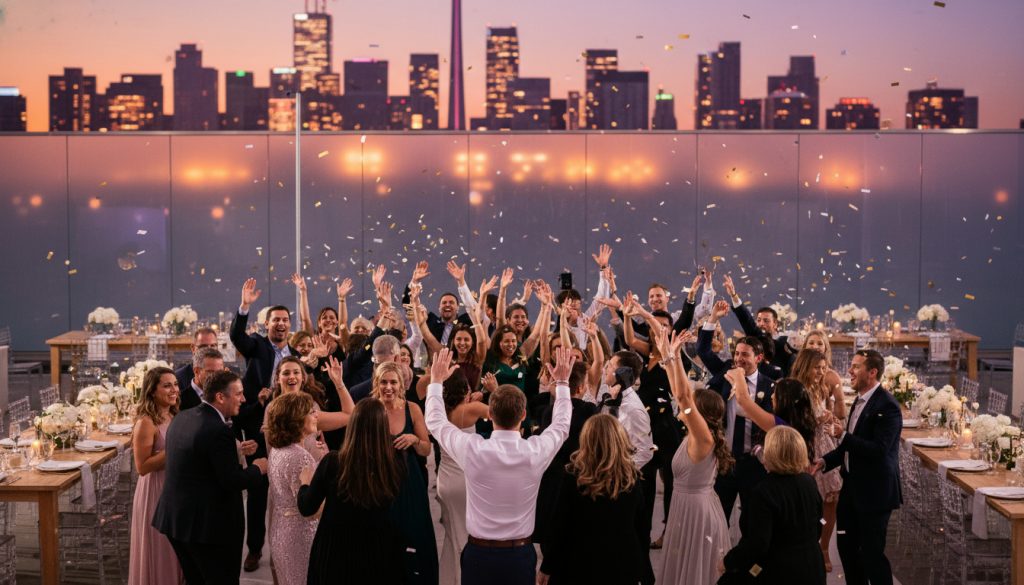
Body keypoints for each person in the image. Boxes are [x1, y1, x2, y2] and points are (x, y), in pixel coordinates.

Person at [425, 346, 575, 585]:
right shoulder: (534, 451)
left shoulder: (473, 450)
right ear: (523, 415)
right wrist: (563, 383)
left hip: (479, 554)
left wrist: (435, 381)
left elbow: (435, 421)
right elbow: (561, 426)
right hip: (519, 555)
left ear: (490, 414)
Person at [152, 370, 268, 585]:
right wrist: (258, 469)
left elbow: (199, 461)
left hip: (176, 520)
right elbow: (231, 481)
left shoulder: (183, 416)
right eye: (239, 394)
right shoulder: (218, 430)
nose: (243, 399)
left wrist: (238, 452)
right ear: (220, 397)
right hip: (208, 528)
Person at [297, 399, 407, 585]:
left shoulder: (333, 463)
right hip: (378, 552)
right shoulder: (395, 463)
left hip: (336, 553)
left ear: (353, 425)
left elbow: (307, 507)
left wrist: (304, 484)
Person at [652, 329, 732, 585]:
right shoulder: (698, 435)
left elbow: (683, 396)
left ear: (700, 412)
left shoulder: (703, 438)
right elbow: (681, 392)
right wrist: (669, 357)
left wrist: (673, 357)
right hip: (687, 508)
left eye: (691, 405)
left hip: (696, 515)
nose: (683, 406)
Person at [229, 278, 298, 571]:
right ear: (267, 324)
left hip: (289, 428)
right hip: (257, 424)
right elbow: (236, 337)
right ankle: (255, 549)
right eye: (275, 320)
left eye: (284, 320)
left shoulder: (295, 353)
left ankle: (292, 544)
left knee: (289, 489)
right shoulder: (257, 345)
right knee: (258, 491)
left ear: (289, 325)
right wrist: (244, 305)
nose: (280, 325)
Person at [819, 349, 901, 585]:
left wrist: (842, 435)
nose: (850, 371)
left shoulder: (889, 406)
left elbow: (878, 450)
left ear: (872, 372)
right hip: (852, 490)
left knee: (872, 556)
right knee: (847, 549)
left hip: (875, 493)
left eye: (856, 367)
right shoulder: (860, 399)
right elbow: (850, 447)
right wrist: (825, 461)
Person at [538, 414, 645, 585]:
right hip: (621, 566)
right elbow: (641, 528)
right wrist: (644, 570)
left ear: (586, 440)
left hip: (578, 566)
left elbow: (559, 529)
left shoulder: (575, 479)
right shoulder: (631, 479)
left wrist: (547, 566)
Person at [698, 300, 776, 524]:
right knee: (718, 516)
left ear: (758, 359)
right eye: (737, 353)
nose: (739, 359)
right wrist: (713, 317)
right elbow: (703, 350)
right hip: (725, 460)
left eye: (745, 355)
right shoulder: (726, 373)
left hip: (755, 463)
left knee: (753, 519)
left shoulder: (769, 385)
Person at [720, 425, 826, 585]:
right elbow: (819, 524)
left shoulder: (764, 491)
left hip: (779, 572)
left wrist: (728, 562)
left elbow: (757, 544)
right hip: (812, 566)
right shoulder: (809, 482)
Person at [373, 361, 438, 585]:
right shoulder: (370, 409)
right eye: (383, 382)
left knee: (415, 537)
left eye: (393, 382)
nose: (388, 387)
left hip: (410, 484)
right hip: (378, 485)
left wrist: (414, 440)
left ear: (401, 385)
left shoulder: (412, 409)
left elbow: (427, 448)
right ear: (376, 383)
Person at [533, 361, 598, 548]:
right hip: (579, 475)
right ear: (580, 387)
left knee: (551, 532)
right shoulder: (589, 410)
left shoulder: (550, 411)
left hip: (552, 477)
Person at [128, 367, 183, 585]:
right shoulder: (146, 423)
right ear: (152, 390)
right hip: (155, 491)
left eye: (176, 384)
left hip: (175, 488)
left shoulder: (174, 415)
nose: (174, 390)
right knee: (160, 547)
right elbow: (142, 467)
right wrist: (176, 450)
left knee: (176, 549)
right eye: (167, 385)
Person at [791, 348, 844, 571]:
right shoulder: (796, 390)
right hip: (806, 448)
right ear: (805, 366)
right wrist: (817, 420)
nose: (821, 373)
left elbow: (829, 416)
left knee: (830, 502)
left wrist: (831, 420)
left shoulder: (821, 388)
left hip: (825, 447)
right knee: (808, 502)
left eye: (824, 368)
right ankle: (807, 547)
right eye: (817, 368)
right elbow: (792, 423)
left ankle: (824, 547)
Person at [435, 369, 489, 585]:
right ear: (465, 389)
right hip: (464, 483)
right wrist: (491, 392)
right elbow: (504, 414)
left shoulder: (440, 411)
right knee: (464, 540)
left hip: (445, 481)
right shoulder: (471, 409)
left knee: (451, 537)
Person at [265, 391, 321, 585]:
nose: (316, 415)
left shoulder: (278, 450)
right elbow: (310, 511)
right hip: (300, 536)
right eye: (310, 411)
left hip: (281, 530)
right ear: (296, 419)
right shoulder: (300, 457)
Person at [721, 275, 796, 376]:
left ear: (775, 323)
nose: (761, 324)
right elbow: (746, 320)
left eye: (766, 321)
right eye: (759, 320)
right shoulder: (757, 337)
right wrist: (734, 295)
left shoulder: (785, 343)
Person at [174, 327, 219, 392]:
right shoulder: (179, 379)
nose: (209, 350)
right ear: (193, 348)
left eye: (213, 346)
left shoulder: (227, 375)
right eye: (203, 346)